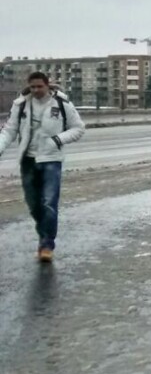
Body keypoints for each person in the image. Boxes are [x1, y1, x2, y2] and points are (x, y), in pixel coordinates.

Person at [0, 71, 85, 262]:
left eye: (40, 86)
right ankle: (43, 234)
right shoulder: (21, 105)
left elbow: (78, 128)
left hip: (51, 160)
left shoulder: (61, 104)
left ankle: (47, 244)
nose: (36, 90)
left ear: (48, 85)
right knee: (33, 204)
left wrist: (57, 140)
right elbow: (9, 131)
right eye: (33, 87)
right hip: (28, 160)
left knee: (49, 203)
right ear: (29, 87)